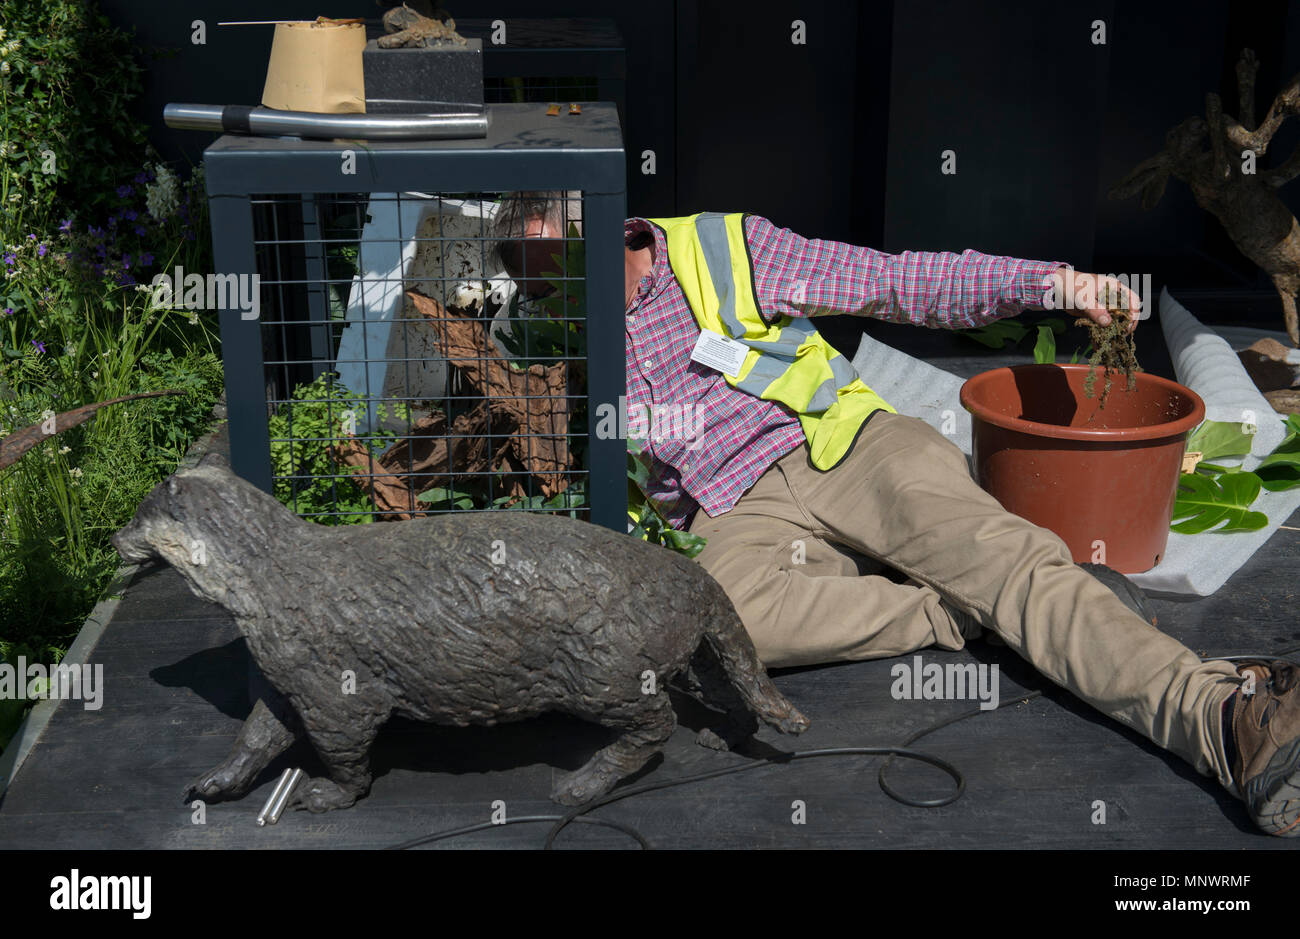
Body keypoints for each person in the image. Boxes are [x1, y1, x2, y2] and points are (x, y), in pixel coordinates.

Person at [490, 191, 1300, 838]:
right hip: (732, 511)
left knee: (1007, 564)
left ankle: (1224, 719)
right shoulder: (553, 334)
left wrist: (1051, 285)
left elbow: (895, 280)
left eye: (555, 268)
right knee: (715, 631)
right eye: (534, 282)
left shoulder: (718, 247)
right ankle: (958, 614)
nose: (550, 294)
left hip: (840, 447)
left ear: (607, 226)